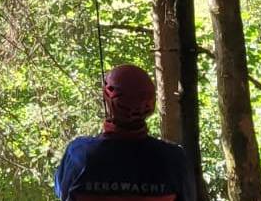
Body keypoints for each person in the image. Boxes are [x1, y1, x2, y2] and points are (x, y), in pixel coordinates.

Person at [53, 65, 198, 201]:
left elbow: (62, 191)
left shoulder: (79, 154)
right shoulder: (174, 159)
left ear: (108, 98)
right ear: (151, 104)